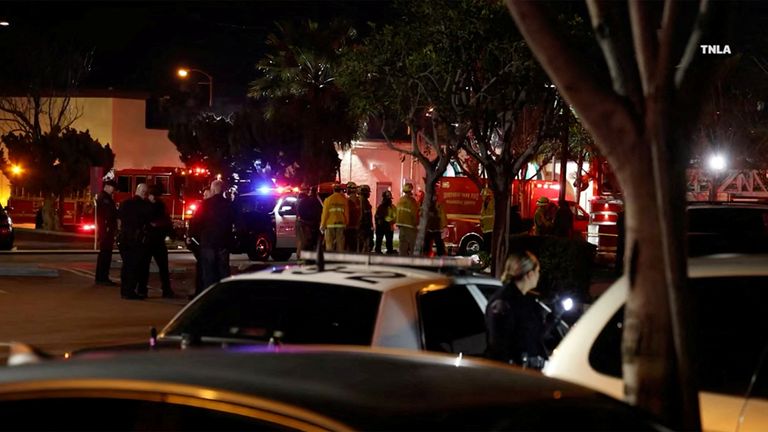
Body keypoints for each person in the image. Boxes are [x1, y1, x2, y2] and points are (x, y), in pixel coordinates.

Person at [485, 251, 548, 369]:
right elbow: (500, 346)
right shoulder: (503, 302)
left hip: (526, 374)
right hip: (513, 376)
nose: (539, 275)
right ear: (529, 274)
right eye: (537, 271)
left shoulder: (526, 300)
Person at [198, 180, 235, 290]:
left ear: (212, 189)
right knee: (223, 270)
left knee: (209, 272)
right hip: (223, 242)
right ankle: (224, 294)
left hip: (208, 242)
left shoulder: (205, 204)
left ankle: (209, 295)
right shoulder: (229, 205)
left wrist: (195, 236)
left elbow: (197, 222)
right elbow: (238, 222)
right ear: (223, 190)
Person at [117, 183, 152, 300]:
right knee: (135, 266)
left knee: (126, 265)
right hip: (136, 239)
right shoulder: (145, 205)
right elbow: (149, 221)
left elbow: (119, 219)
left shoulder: (125, 203)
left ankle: (124, 290)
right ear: (144, 192)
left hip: (124, 238)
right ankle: (130, 291)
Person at [141, 185, 175, 298]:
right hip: (155, 239)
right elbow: (166, 221)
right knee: (161, 267)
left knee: (146, 266)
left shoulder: (146, 205)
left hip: (151, 239)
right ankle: (165, 289)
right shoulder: (159, 206)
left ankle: (142, 289)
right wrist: (170, 233)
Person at [187, 187, 212, 299]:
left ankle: (201, 292)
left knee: (204, 269)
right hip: (201, 241)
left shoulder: (206, 208)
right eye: (204, 196)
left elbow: (196, 222)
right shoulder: (206, 207)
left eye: (206, 196)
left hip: (205, 242)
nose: (204, 198)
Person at [94, 179, 119, 286]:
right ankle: (102, 277)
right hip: (106, 230)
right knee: (105, 254)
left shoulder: (104, 197)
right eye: (113, 188)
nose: (113, 190)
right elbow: (108, 214)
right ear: (108, 186)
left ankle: (101, 277)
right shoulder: (105, 198)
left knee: (105, 254)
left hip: (105, 229)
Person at [320, 183, 349, 252]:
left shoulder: (328, 200)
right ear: (340, 190)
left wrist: (322, 225)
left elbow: (325, 214)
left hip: (330, 225)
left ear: (333, 190)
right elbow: (346, 214)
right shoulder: (344, 200)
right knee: (340, 244)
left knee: (329, 244)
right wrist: (346, 224)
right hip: (341, 225)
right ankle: (339, 260)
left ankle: (330, 260)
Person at [297, 185, 323, 255]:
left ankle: (302, 257)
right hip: (308, 224)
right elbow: (319, 211)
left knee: (303, 242)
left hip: (305, 223)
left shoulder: (303, 200)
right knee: (305, 242)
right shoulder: (312, 200)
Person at [396, 183, 419, 256]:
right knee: (413, 244)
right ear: (411, 191)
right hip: (410, 225)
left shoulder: (400, 200)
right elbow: (415, 213)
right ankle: (412, 260)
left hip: (401, 226)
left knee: (403, 244)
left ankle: (402, 260)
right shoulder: (412, 201)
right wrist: (417, 224)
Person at [375, 190, 396, 254]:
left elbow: (395, 217)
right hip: (383, 225)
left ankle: (388, 250)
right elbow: (376, 216)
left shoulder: (391, 207)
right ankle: (380, 250)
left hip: (387, 225)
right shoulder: (381, 207)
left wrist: (391, 222)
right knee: (380, 240)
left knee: (388, 240)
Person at [345, 182, 361, 252]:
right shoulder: (359, 201)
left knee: (349, 245)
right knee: (355, 245)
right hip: (357, 227)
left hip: (349, 227)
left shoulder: (346, 201)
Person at [357, 185, 374, 253]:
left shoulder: (365, 201)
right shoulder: (361, 201)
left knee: (367, 244)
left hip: (366, 226)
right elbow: (361, 214)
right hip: (363, 227)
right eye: (368, 192)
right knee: (363, 244)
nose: (369, 194)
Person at [480, 187, 494, 253]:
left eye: (484, 196)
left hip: (491, 230)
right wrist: (481, 224)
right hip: (486, 230)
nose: (483, 198)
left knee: (489, 248)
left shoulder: (492, 203)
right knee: (486, 248)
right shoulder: (484, 204)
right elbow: (482, 216)